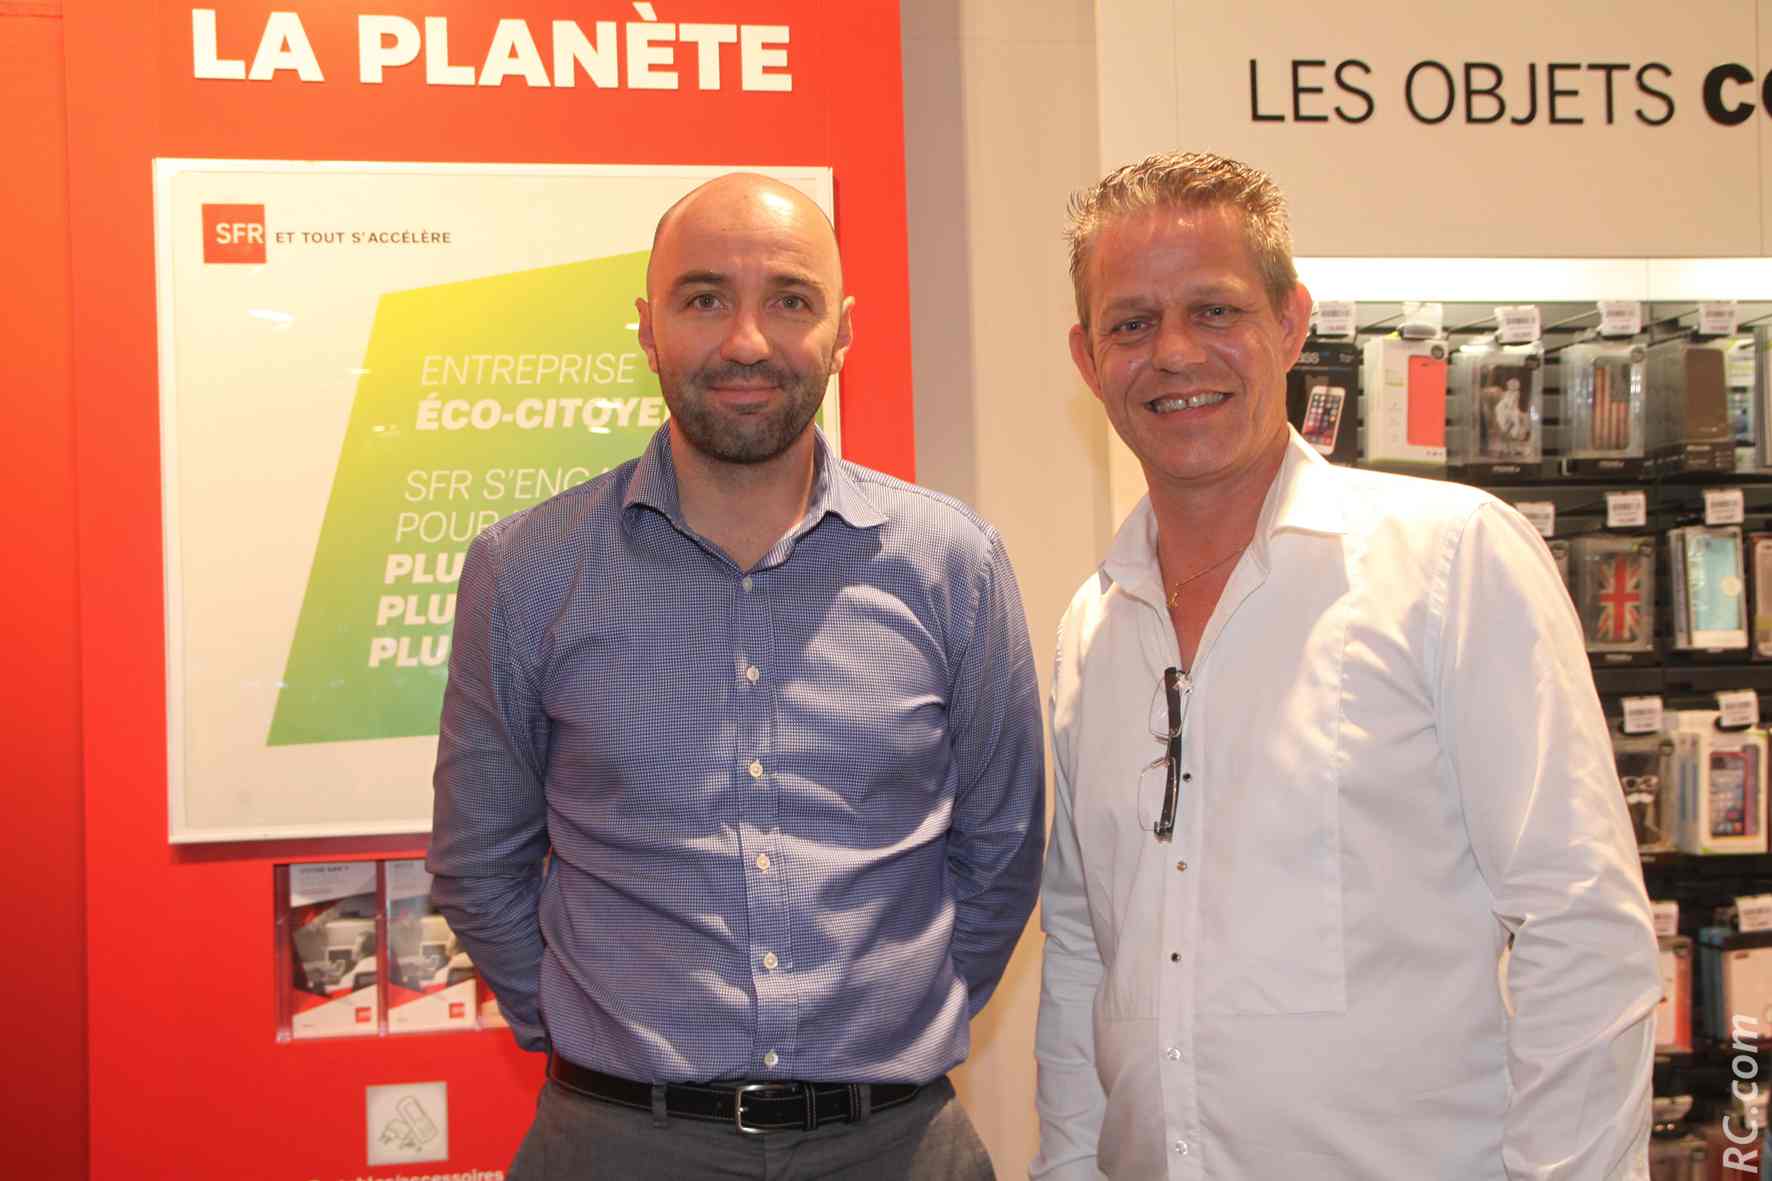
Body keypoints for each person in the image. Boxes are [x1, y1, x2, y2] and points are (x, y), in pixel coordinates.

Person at [1031, 151, 1660, 1179]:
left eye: (1214, 311)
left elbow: (1582, 926)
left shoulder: (1450, 561)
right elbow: (1080, 951)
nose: (1174, 353)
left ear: (1290, 323)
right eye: (1131, 323)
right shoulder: (1091, 629)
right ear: (1086, 357)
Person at [429, 172, 1044, 1179]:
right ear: (647, 327)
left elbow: (1002, 849)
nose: (748, 340)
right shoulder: (528, 569)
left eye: (790, 300)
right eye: (705, 297)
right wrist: (600, 1043)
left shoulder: (951, 564)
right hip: (615, 1147)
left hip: (896, 1146)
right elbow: (477, 861)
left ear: (843, 332)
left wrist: (888, 1044)